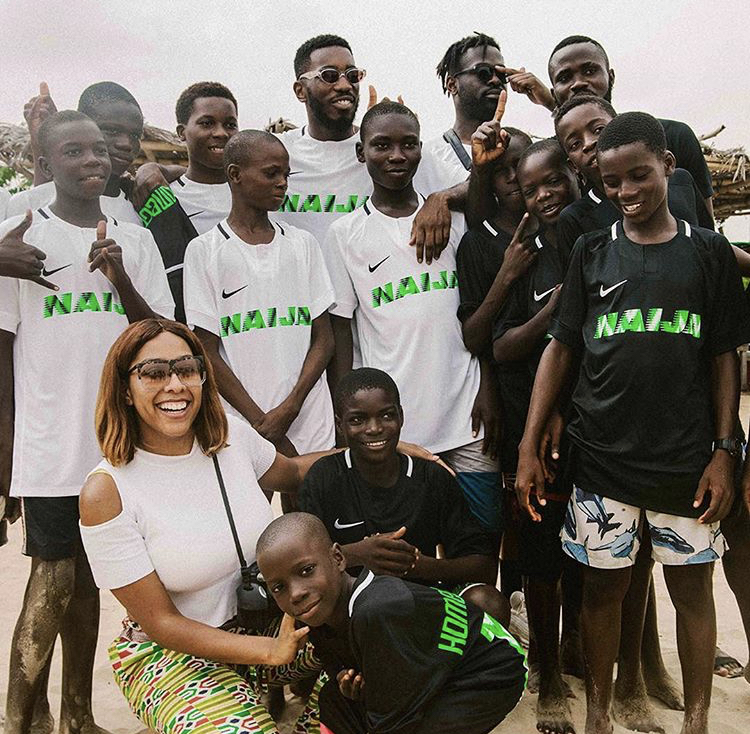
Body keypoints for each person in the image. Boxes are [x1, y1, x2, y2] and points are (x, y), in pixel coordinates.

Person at [516, 111, 750, 734]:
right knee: (603, 593)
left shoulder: (708, 252)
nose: (625, 191)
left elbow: (724, 356)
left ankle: (697, 722)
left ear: (668, 167)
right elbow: (561, 348)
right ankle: (600, 716)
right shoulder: (592, 251)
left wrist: (724, 451)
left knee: (692, 594)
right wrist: (529, 444)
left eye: (639, 175)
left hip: (687, 462)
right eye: (611, 181)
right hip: (602, 459)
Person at [0, 110, 174, 734]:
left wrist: (119, 274)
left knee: (91, 582)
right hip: (49, 446)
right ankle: (19, 720)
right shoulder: (20, 240)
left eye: (98, 149)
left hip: (118, 446)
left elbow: (160, 335)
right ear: (45, 164)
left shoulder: (134, 239)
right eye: (74, 151)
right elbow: (3, 358)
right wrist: (6, 460)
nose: (93, 160)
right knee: (51, 580)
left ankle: (78, 715)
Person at [78, 319, 331, 734]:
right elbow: (162, 623)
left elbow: (296, 472)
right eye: (154, 373)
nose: (175, 385)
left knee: (378, 638)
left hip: (262, 628)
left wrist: (374, 453)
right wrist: (269, 651)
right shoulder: (107, 491)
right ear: (124, 389)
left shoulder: (231, 438)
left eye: (186, 369)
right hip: (171, 657)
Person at [324, 101, 500, 536]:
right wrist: (345, 416)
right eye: (382, 145)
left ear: (422, 149)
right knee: (410, 550)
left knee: (479, 542)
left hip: (468, 416)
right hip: (397, 428)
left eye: (409, 144)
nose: (397, 156)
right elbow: (342, 332)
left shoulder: (455, 220)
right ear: (361, 153)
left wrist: (489, 386)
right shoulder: (344, 234)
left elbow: (479, 312)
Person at [256, 512, 527, 734]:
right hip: (431, 666)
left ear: (338, 558)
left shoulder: (377, 609)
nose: (295, 594)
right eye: (279, 587)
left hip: (488, 669)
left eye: (306, 571)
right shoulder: (318, 611)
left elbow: (395, 721)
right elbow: (343, 668)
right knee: (333, 701)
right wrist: (347, 678)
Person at [299, 367, 508, 623]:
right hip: (351, 610)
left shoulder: (431, 478)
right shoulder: (323, 478)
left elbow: (483, 566)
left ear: (401, 416)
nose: (374, 428)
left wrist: (420, 566)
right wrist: (358, 554)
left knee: (488, 602)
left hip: (423, 600)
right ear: (340, 425)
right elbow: (301, 566)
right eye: (357, 420)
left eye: (386, 415)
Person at [493, 138, 579, 734]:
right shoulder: (531, 257)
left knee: (598, 556)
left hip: (598, 425)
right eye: (531, 189)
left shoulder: (603, 240)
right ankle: (547, 676)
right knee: (541, 557)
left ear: (574, 175)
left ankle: (581, 659)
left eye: (553, 181)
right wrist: (559, 308)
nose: (544, 195)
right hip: (539, 428)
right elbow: (502, 346)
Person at [183, 129, 335, 463]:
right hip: (244, 424)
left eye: (286, 175)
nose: (282, 183)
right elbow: (206, 351)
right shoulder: (204, 251)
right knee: (253, 498)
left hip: (309, 418)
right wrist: (261, 423)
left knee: (313, 497)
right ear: (235, 174)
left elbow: (324, 339)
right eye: (271, 173)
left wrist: (291, 407)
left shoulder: (303, 244)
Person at [7, 82, 146, 226]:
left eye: (135, 135)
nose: (126, 144)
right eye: (112, 131)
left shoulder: (139, 209)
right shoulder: (28, 203)